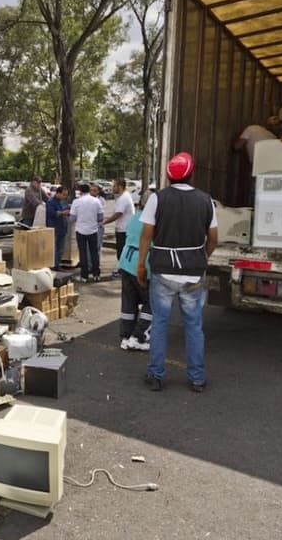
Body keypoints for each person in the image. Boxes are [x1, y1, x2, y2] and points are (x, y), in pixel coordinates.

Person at [137, 152, 217, 392]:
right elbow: (213, 239)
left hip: (163, 272)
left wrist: (141, 264)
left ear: (168, 175)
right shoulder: (206, 201)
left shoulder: (157, 199)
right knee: (193, 326)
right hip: (193, 272)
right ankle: (197, 379)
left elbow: (146, 234)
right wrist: (202, 256)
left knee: (160, 324)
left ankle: (156, 375)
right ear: (191, 174)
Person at [118, 212, 151, 351]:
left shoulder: (136, 216)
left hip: (126, 260)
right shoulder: (153, 219)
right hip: (143, 262)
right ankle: (139, 336)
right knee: (151, 302)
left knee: (129, 300)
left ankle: (126, 335)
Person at [69, 183, 104, 282]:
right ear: (89, 190)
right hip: (93, 230)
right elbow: (100, 217)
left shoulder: (76, 202)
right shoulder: (96, 201)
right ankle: (96, 274)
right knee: (94, 253)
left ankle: (84, 276)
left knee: (83, 253)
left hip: (80, 230)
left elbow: (72, 218)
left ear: (80, 191)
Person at [104, 178, 135, 264]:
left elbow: (118, 213)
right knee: (121, 251)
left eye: (114, 186)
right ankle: (122, 269)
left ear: (120, 186)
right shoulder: (124, 196)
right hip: (123, 228)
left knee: (121, 252)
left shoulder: (124, 198)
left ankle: (122, 271)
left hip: (124, 230)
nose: (112, 188)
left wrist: (105, 222)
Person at [46, 186, 70, 269]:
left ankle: (57, 264)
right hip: (54, 228)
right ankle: (53, 265)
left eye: (66, 195)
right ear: (58, 193)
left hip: (63, 227)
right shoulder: (51, 202)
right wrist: (62, 213)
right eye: (63, 194)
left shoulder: (63, 202)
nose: (65, 196)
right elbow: (51, 214)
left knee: (60, 248)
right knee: (54, 248)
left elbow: (67, 209)